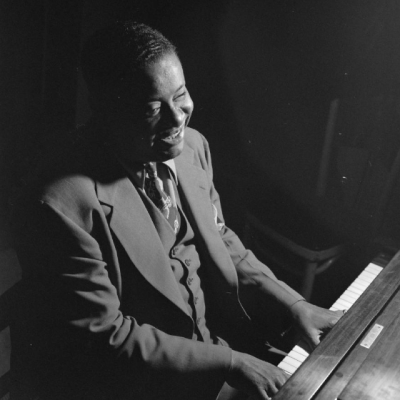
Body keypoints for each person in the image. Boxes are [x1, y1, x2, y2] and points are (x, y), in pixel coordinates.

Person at [10, 21, 344, 400]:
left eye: (180, 94)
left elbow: (221, 238)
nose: (177, 118)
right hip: (136, 385)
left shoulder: (193, 148)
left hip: (215, 354)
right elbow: (108, 336)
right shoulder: (57, 205)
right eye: (152, 108)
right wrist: (231, 363)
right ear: (105, 110)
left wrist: (294, 303)